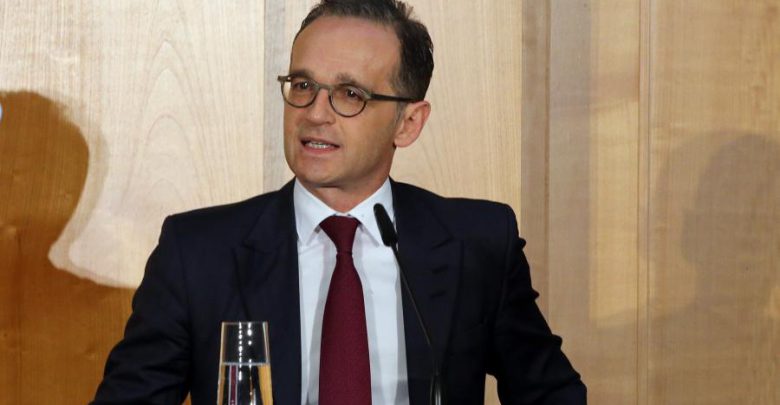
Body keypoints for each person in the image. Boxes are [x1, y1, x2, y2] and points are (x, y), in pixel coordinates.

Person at [92, 0, 586, 404]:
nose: (315, 114)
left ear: (408, 123)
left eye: (350, 94)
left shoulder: (476, 244)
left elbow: (551, 394)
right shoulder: (199, 253)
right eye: (303, 86)